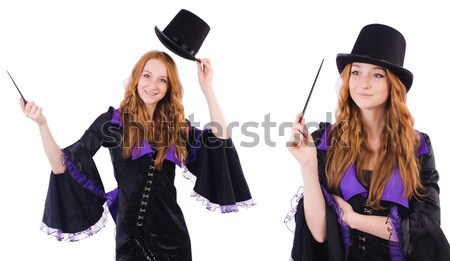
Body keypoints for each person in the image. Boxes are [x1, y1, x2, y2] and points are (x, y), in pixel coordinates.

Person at [20, 50, 254, 261]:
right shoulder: (111, 123)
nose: (153, 85)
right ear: (136, 78)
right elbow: (62, 165)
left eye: (162, 80)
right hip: (129, 241)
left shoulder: (176, 127)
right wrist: (42, 124)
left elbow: (219, 140)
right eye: (147, 76)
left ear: (169, 88)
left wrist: (207, 88)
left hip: (174, 242)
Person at [286, 23, 450, 261]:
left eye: (376, 74)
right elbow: (320, 234)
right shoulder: (326, 141)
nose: (363, 83)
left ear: (392, 84)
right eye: (356, 72)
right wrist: (308, 165)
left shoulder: (418, 146)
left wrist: (354, 219)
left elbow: (427, 229)